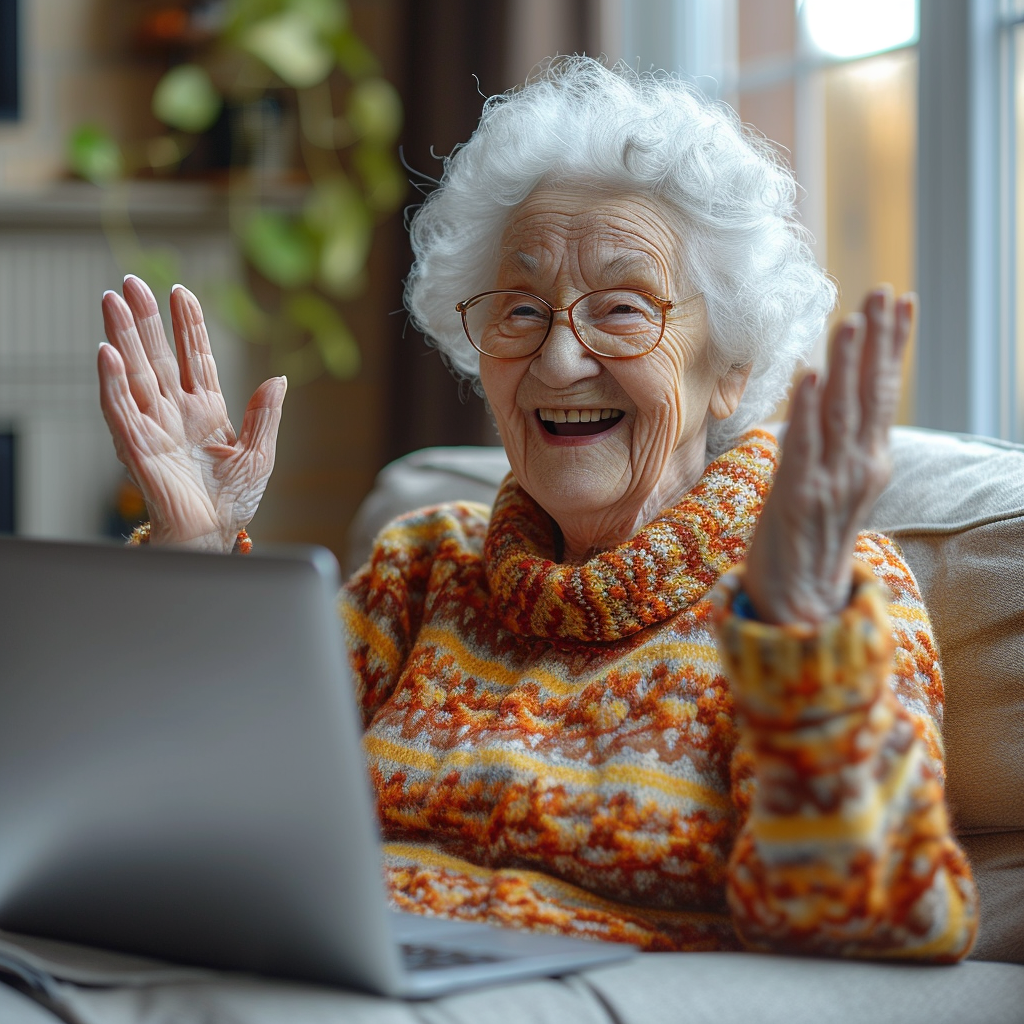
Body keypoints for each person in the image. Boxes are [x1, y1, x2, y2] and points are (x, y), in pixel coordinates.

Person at [97, 56, 977, 961]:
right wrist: (190, 550)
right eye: (519, 311)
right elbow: (197, 817)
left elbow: (876, 920)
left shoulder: (834, 598)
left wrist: (798, 631)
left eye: (624, 309)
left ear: (735, 367)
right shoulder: (419, 570)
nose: (559, 363)